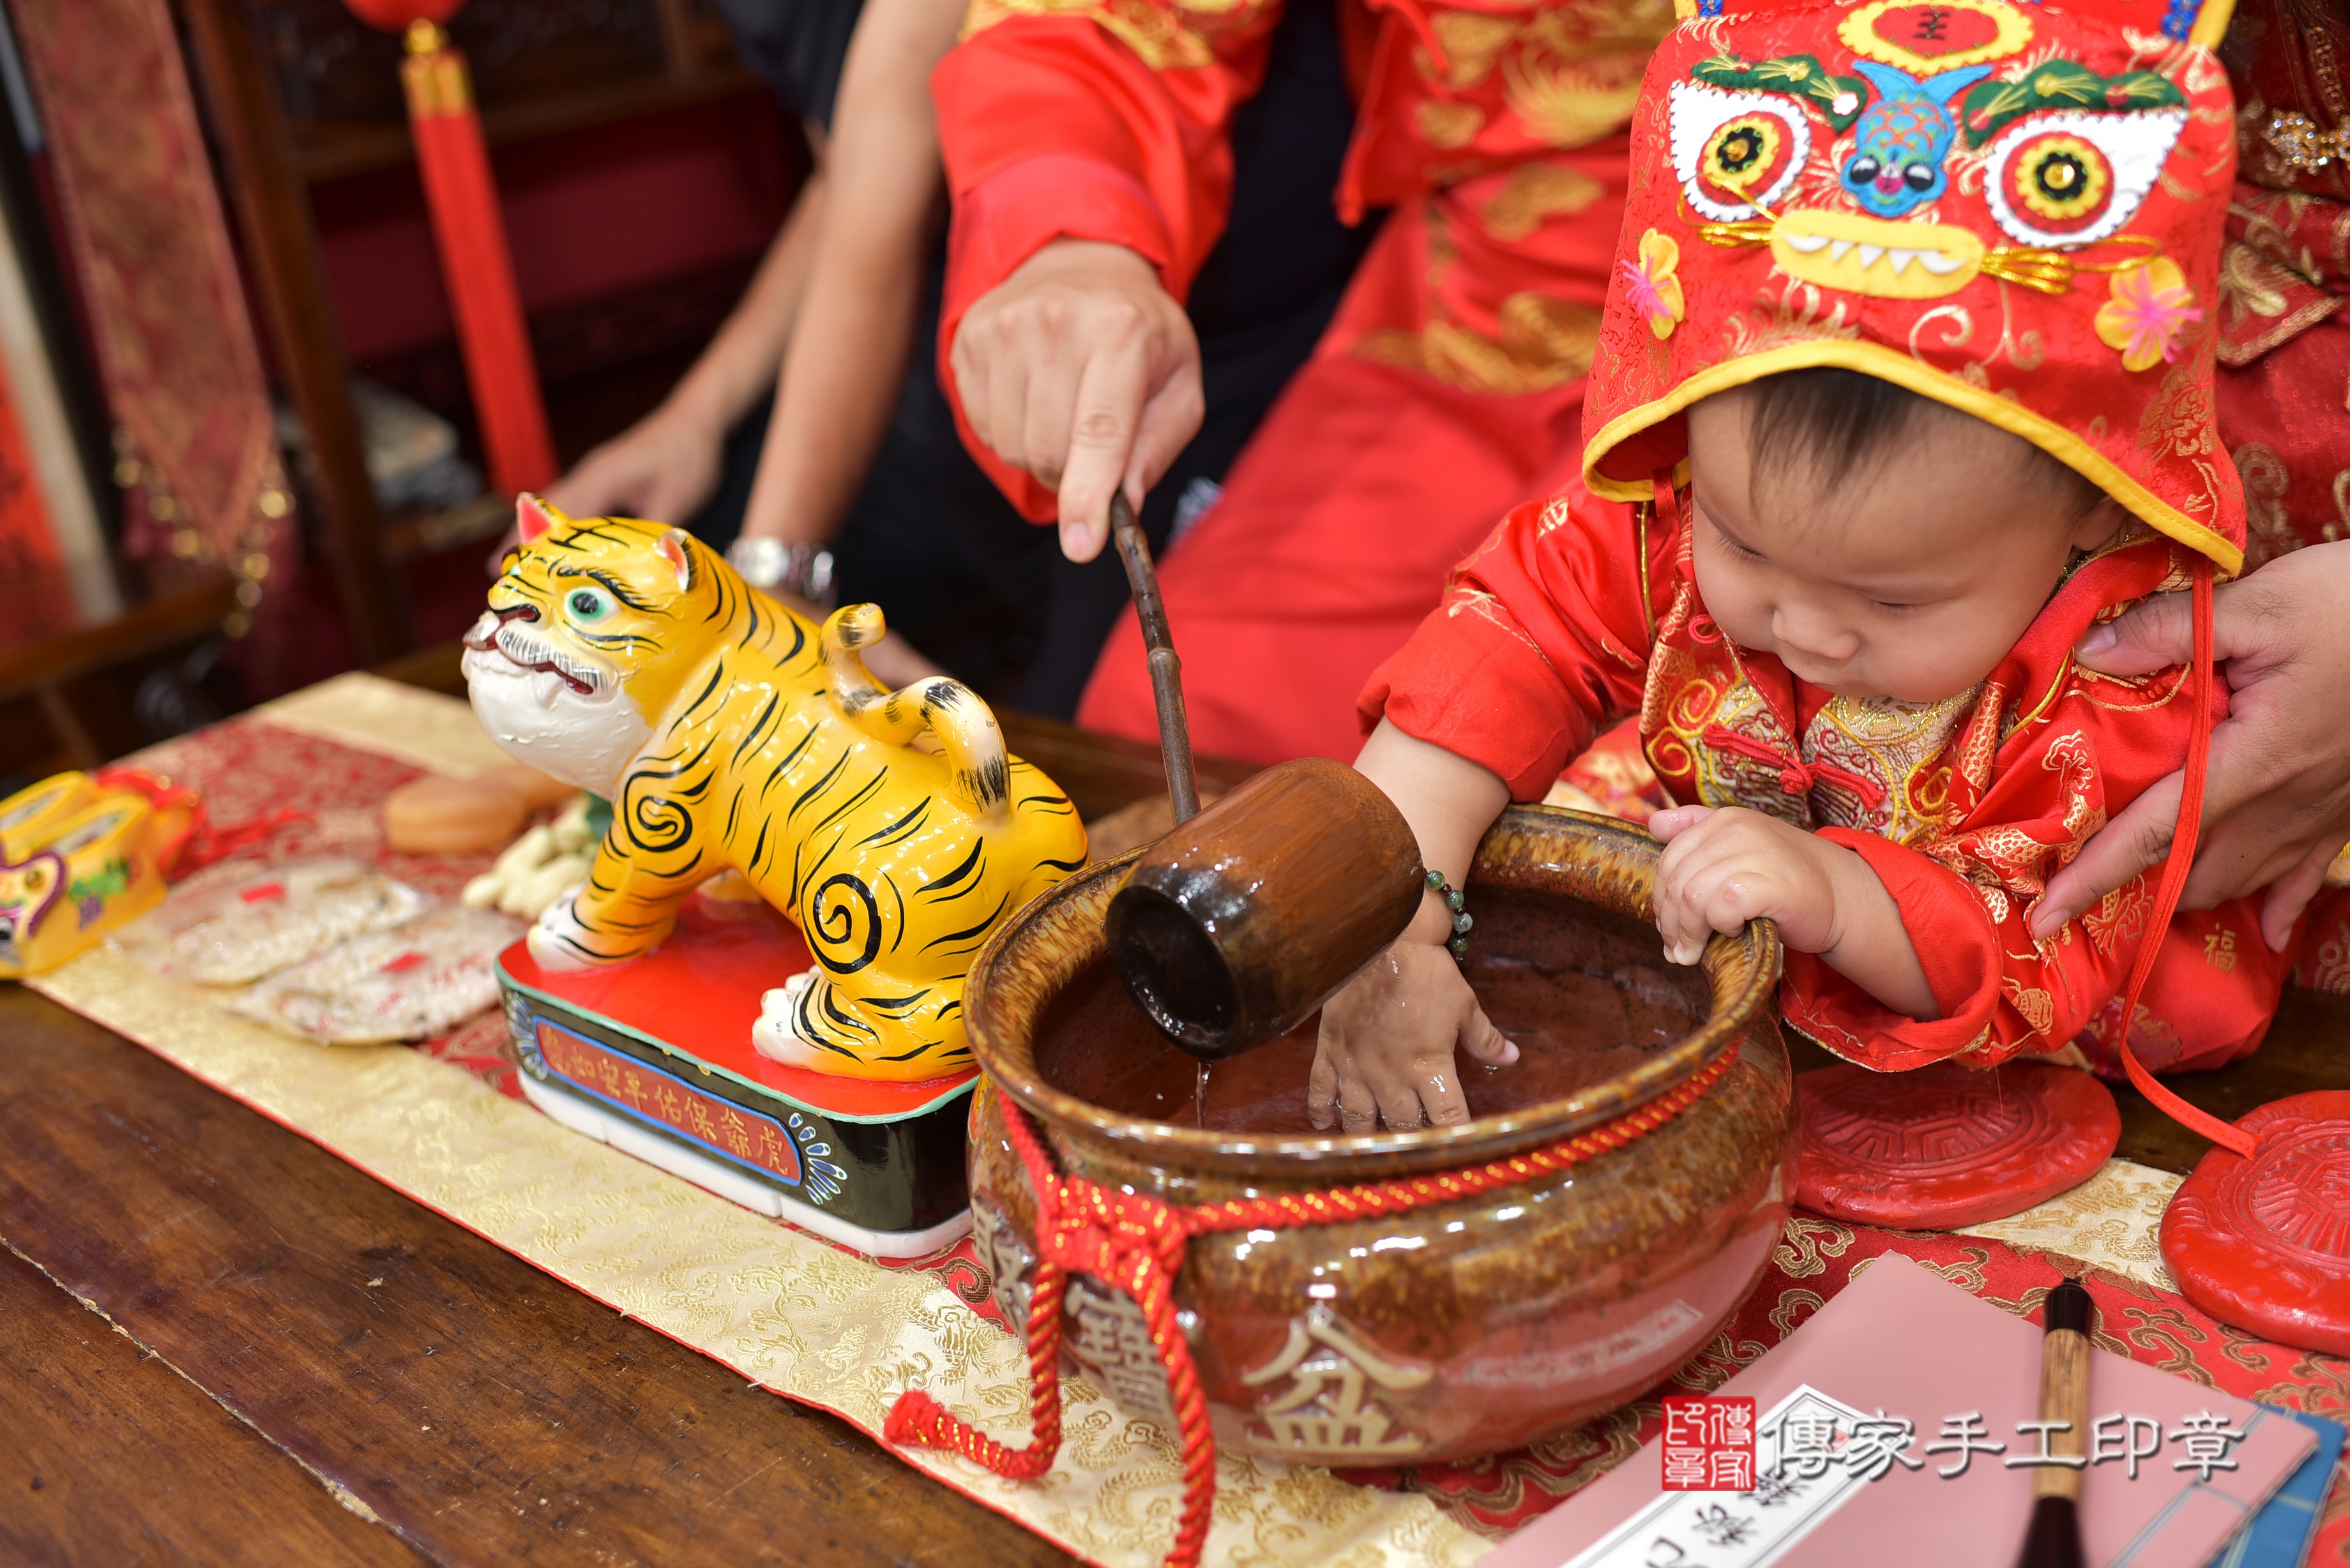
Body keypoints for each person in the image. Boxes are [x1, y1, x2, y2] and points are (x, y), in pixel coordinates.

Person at [1305, 0, 2310, 1132]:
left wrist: (1836, 895)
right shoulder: (1680, 511)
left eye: (1892, 599)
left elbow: (2037, 945)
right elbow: (1510, 637)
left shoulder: (2127, 666)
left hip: (2028, 1057)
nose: (1809, 633)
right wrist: (1398, 912)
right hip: (1739, 922)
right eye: (1745, 548)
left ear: (2093, 505)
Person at [544, 0, 1369, 713]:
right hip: (972, 318)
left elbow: (885, 169)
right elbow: (850, 167)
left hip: (1189, 337)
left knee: (1119, 756)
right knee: (671, 614)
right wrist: (692, 421)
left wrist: (781, 564)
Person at [931, 0, 1671, 763]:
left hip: (1769, 392)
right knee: (1188, 717)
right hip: (1480, 310)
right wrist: (1069, 235)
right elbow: (1123, 23)